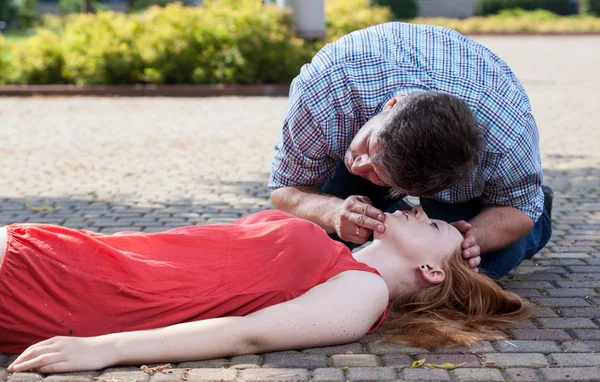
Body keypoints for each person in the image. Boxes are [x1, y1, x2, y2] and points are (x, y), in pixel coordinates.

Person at [1, 207, 531, 373]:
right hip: (62, 252)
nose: (417, 208)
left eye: (432, 225)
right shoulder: (335, 250)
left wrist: (105, 349)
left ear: (432, 272)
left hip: (58, 287)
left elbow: (248, 335)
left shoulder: (362, 293)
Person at [269, 22, 553, 279]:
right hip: (357, 92)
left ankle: (540, 220)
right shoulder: (326, 89)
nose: (358, 166)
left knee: (468, 266)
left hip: (485, 172)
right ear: (393, 104)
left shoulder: (507, 134)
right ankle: (391, 213)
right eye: (367, 146)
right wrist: (333, 212)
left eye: (383, 177)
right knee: (312, 253)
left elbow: (519, 208)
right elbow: (286, 188)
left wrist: (464, 239)